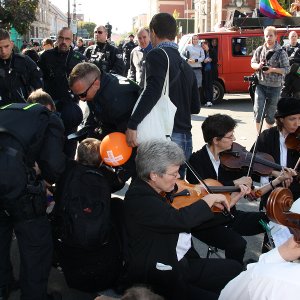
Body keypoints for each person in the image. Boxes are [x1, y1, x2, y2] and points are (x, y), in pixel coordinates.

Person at [123, 140, 243, 300]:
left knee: (235, 270)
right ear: (154, 175)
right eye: (173, 174)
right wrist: (207, 201)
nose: (178, 177)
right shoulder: (140, 198)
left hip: (182, 261)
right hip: (160, 273)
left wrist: (228, 205)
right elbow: (179, 220)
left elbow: (195, 222)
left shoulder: (158, 190)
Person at [186, 113, 295, 263]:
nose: (234, 140)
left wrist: (278, 179)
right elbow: (204, 192)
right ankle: (234, 275)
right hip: (208, 221)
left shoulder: (232, 159)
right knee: (238, 244)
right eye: (230, 137)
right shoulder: (196, 161)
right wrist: (234, 183)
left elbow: (254, 195)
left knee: (274, 219)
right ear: (215, 140)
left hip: (231, 216)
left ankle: (272, 262)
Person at [0, 99, 66, 300]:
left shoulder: (7, 110)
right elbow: (54, 167)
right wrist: (40, 172)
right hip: (19, 190)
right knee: (37, 247)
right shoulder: (50, 119)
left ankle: (3, 285)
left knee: (1, 237)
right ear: (50, 108)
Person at [125, 13, 200, 175]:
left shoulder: (157, 55)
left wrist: (133, 124)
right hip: (186, 139)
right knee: (176, 193)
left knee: (155, 191)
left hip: (166, 137)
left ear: (153, 31)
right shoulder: (185, 65)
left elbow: (153, 91)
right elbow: (195, 107)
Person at [52, 138, 124, 293]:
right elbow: (119, 184)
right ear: (101, 159)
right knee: (117, 205)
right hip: (98, 236)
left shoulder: (69, 169)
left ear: (78, 156)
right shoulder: (105, 174)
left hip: (68, 230)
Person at [39, 27, 87, 158]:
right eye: (61, 38)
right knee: (50, 143)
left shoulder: (79, 59)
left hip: (70, 108)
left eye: (67, 39)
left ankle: (68, 171)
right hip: (50, 107)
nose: (63, 42)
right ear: (57, 38)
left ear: (72, 40)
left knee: (69, 143)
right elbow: (38, 80)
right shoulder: (46, 56)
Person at [219, 234, 300, 299]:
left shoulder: (273, 279)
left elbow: (228, 295)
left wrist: (276, 256)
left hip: (244, 283)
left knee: (234, 264)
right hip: (218, 220)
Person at [254, 97, 300, 209]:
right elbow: (253, 164)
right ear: (281, 119)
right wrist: (275, 173)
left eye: (299, 118)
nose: (297, 123)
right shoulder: (267, 137)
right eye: (292, 119)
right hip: (273, 192)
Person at [250, 26, 290, 132]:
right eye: (266, 36)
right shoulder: (259, 50)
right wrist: (258, 66)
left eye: (271, 35)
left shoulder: (281, 52)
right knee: (258, 110)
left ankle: (267, 135)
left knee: (271, 114)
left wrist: (272, 69)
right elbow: (252, 63)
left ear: (276, 36)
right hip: (261, 85)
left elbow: (287, 69)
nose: (268, 38)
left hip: (275, 87)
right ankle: (258, 136)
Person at [0, 28, 43, 106]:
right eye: (0, 48)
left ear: (11, 44)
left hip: (24, 110)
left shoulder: (25, 61)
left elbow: (39, 87)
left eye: (6, 46)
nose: (3, 51)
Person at [201, 41, 218, 107]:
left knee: (210, 86)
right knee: (205, 86)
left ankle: (210, 101)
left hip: (211, 71)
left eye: (204, 45)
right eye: (202, 46)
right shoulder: (203, 52)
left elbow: (216, 60)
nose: (203, 47)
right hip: (205, 71)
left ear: (207, 45)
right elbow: (201, 61)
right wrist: (204, 61)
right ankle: (208, 100)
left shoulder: (212, 51)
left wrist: (211, 59)